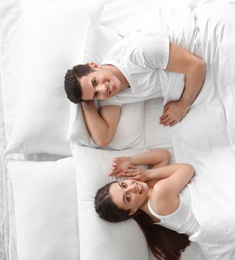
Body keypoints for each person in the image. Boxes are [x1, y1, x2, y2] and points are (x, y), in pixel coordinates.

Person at [64, 31, 207, 147]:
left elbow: (197, 66)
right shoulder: (110, 95)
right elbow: (103, 138)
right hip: (195, 78)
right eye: (96, 95)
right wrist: (85, 102)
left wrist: (183, 105)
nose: (103, 89)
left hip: (203, 50)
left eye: (95, 81)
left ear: (94, 65)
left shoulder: (138, 52)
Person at [95, 149, 199, 260]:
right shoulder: (158, 197)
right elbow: (188, 169)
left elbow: (163, 156)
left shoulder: (149, 192)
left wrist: (130, 160)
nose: (132, 187)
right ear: (132, 210)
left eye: (124, 185)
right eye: (128, 197)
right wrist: (147, 173)